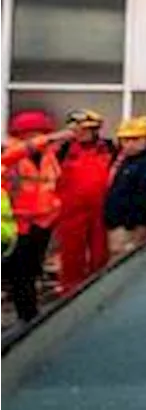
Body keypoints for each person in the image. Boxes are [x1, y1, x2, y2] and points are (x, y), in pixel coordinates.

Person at [0, 111, 73, 322]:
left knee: (30, 271)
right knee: (19, 273)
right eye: (33, 133)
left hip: (42, 223)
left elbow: (52, 184)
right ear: (19, 134)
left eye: (42, 132)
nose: (38, 137)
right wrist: (51, 138)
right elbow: (14, 156)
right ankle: (27, 317)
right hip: (16, 224)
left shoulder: (48, 156)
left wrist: (55, 211)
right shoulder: (9, 153)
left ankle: (29, 314)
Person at [50, 109, 115, 297]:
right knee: (71, 252)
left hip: (100, 208)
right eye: (78, 129)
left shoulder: (110, 147)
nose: (82, 133)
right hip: (71, 209)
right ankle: (69, 292)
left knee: (100, 252)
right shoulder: (61, 150)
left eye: (88, 129)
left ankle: (98, 289)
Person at [103, 117, 146, 261]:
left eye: (134, 140)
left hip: (132, 225)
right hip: (118, 221)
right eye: (124, 140)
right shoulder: (129, 159)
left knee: (125, 259)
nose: (128, 144)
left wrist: (130, 224)